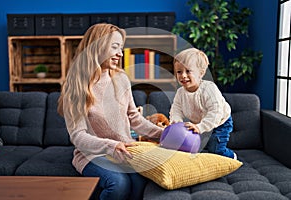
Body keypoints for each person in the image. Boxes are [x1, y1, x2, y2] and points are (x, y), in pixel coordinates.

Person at [57, 23, 163, 200]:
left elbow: (134, 118)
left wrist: (163, 133)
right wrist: (111, 146)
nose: (120, 54)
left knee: (139, 181)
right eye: (115, 47)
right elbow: (78, 136)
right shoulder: (75, 86)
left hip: (126, 153)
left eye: (121, 48)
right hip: (93, 155)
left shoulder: (121, 78)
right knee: (119, 184)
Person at [169, 47, 237, 159]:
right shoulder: (180, 92)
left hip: (220, 122)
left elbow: (215, 112)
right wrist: (176, 121)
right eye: (179, 72)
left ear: (201, 73)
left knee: (216, 149)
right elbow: (176, 109)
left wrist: (200, 127)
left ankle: (231, 156)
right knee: (197, 147)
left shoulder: (208, 89)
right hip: (199, 123)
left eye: (188, 71)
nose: (183, 76)